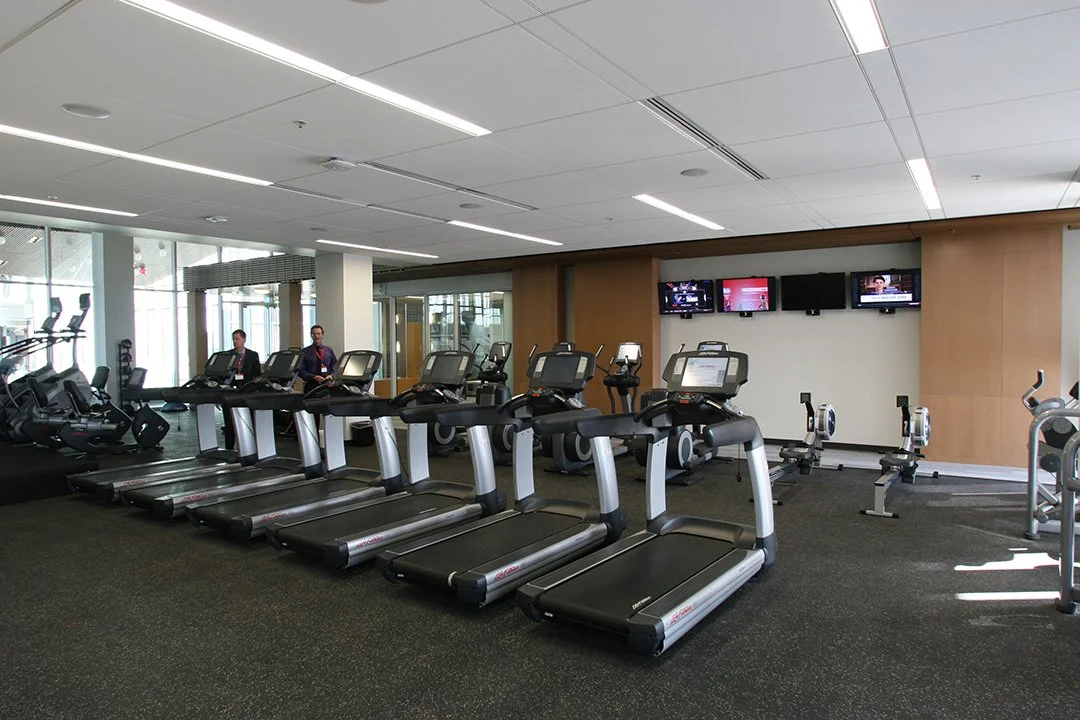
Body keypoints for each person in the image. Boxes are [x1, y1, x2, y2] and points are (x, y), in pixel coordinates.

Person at [222, 328, 261, 451]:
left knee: (248, 421)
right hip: (231, 390)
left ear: (244, 339)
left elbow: (257, 374)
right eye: (233, 339)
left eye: (237, 339)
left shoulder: (252, 355)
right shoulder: (228, 355)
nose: (235, 341)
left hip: (247, 390)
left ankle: (249, 448)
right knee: (229, 423)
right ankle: (229, 449)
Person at [298, 325, 336, 429]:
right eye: (314, 334)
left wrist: (331, 375)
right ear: (311, 336)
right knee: (313, 417)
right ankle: (314, 443)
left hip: (327, 387)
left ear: (322, 335)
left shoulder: (329, 351)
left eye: (318, 334)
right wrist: (313, 377)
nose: (316, 336)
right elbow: (300, 371)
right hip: (312, 386)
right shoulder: (305, 352)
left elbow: (335, 368)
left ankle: (330, 442)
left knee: (329, 414)